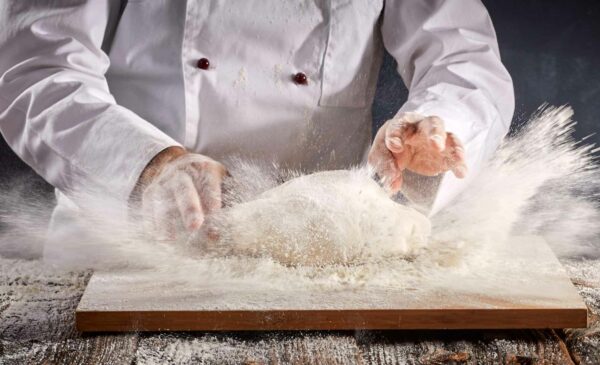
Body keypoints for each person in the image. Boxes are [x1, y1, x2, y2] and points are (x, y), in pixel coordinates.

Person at [0, 1, 513, 250]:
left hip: (334, 252)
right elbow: (35, 72)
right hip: (128, 243)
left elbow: (464, 56)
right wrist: (149, 163)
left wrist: (436, 125)